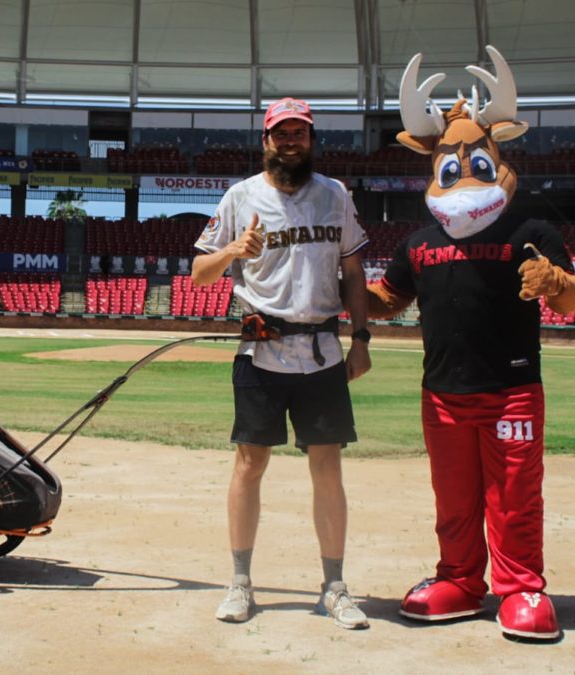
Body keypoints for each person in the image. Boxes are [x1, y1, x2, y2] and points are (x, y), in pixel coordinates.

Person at [367, 47, 575, 640]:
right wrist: (334, 297)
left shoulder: (532, 231)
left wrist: (556, 281)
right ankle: (460, 580)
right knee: (454, 499)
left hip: (511, 391)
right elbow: (388, 300)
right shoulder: (417, 241)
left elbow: (572, 301)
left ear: (496, 155)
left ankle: (522, 589)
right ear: (432, 165)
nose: (463, 171)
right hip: (441, 395)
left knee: (514, 496)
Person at [191, 97, 372, 629]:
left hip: (322, 352)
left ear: (312, 140)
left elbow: (355, 273)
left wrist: (361, 338)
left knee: (328, 466)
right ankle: (240, 584)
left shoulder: (335, 196)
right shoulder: (239, 196)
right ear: (265, 140)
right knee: (249, 465)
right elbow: (200, 270)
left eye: (301, 133)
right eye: (281, 133)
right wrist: (233, 253)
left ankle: (334, 587)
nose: (291, 141)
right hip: (261, 352)